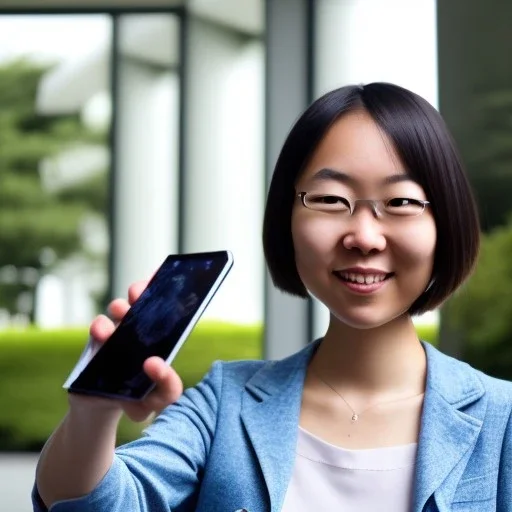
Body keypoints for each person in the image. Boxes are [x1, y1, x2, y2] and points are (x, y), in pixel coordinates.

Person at [33, 83, 512, 512]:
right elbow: (99, 504)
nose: (364, 236)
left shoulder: (502, 418)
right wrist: (93, 415)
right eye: (329, 200)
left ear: (443, 224)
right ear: (288, 218)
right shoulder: (225, 404)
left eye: (401, 202)